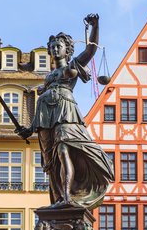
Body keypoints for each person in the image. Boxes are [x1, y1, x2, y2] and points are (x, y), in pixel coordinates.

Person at [16, 14, 114, 210]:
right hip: (45, 119)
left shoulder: (72, 66)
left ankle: (69, 197)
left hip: (66, 114)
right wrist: (29, 129)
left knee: (63, 149)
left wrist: (95, 26)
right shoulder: (48, 78)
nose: (54, 49)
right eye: (52, 47)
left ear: (67, 50)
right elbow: (41, 106)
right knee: (51, 164)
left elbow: (91, 49)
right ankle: (59, 198)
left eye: (58, 46)